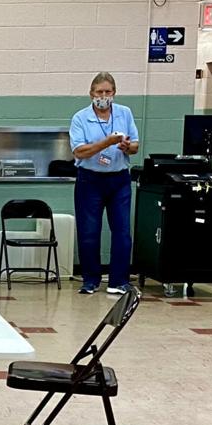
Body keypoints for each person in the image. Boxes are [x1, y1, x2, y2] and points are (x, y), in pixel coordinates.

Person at [69, 71, 139, 296]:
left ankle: (119, 280)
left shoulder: (125, 113)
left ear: (114, 93)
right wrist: (106, 142)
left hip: (119, 179)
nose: (104, 96)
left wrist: (127, 147)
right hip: (90, 179)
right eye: (99, 92)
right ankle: (90, 280)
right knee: (89, 231)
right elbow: (79, 151)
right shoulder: (80, 118)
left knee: (122, 231)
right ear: (91, 94)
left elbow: (136, 145)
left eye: (108, 92)